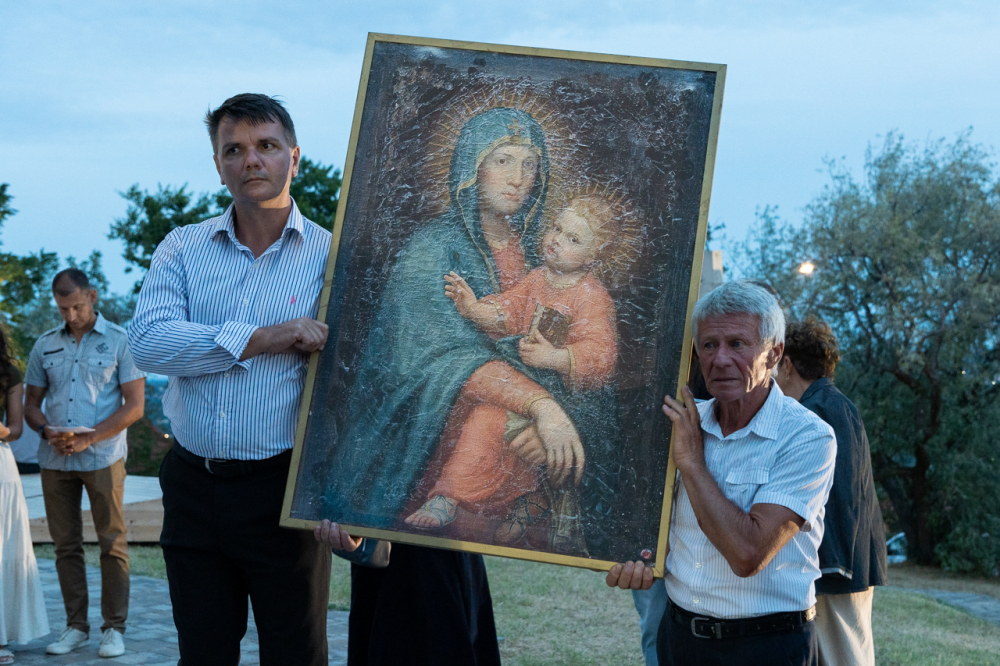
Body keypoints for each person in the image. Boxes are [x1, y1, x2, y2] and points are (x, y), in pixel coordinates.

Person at [128, 93, 333, 666]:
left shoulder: (330, 256)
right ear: (218, 166)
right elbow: (148, 343)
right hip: (192, 486)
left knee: (295, 655)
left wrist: (336, 492)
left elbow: (351, 386)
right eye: (234, 150)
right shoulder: (182, 247)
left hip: (282, 491)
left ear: (294, 158)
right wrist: (265, 336)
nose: (251, 160)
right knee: (202, 653)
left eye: (266, 145)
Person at [606, 280, 837, 666]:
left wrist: (692, 463)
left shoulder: (808, 436)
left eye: (737, 344)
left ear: (774, 353)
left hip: (766, 647)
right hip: (679, 638)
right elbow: (650, 529)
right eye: (709, 345)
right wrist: (637, 558)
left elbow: (748, 554)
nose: (721, 359)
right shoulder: (681, 421)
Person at [405, 193, 624, 548]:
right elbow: (507, 310)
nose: (557, 240)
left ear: (592, 258)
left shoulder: (592, 297)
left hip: (564, 395)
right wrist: (473, 308)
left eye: (573, 239)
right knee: (481, 416)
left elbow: (602, 356)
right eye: (556, 229)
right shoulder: (537, 279)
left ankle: (511, 500)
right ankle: (452, 496)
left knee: (489, 421)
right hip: (524, 383)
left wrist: (555, 358)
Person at [23, 268, 145, 659]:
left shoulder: (121, 341)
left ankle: (114, 629)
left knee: (112, 542)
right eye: (63, 309)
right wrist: (46, 431)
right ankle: (75, 627)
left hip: (103, 458)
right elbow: (30, 405)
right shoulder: (45, 344)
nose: (71, 316)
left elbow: (135, 406)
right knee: (65, 546)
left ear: (92, 296)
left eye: (76, 306)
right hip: (55, 459)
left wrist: (90, 437)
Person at [775, 318, 887, 666]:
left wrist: (830, 566)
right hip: (843, 564)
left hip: (836, 567)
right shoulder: (833, 403)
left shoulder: (820, 409)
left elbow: (842, 495)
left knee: (846, 658)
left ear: (787, 364)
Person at [0, 325, 50, 664]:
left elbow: (16, 429)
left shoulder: (8, 372)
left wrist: (1, 429)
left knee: (2, 551)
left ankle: (1, 635)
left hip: (0, 464)